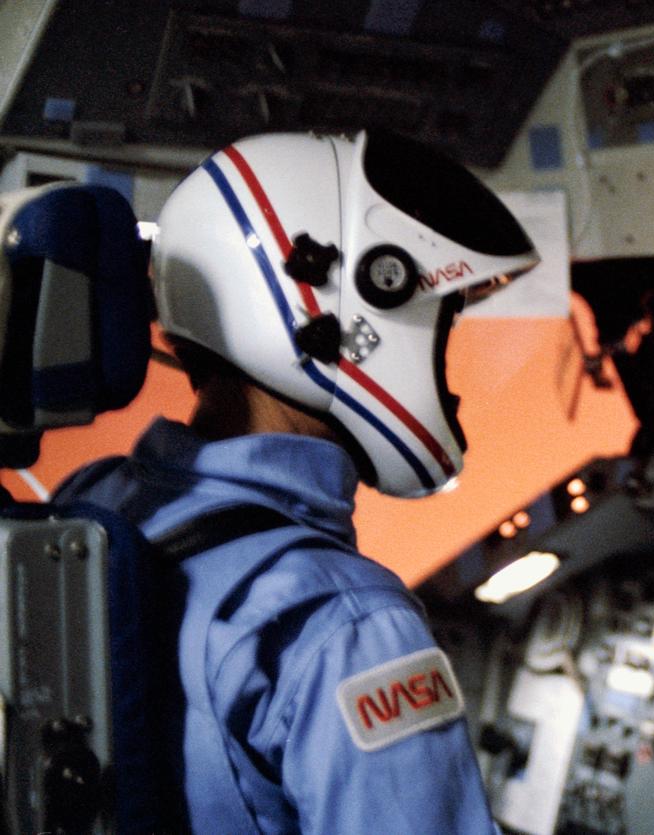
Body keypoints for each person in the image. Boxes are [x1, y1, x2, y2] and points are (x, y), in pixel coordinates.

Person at [54, 129, 540, 833]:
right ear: (337, 315)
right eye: (441, 325)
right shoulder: (345, 621)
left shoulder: (90, 504)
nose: (449, 381)